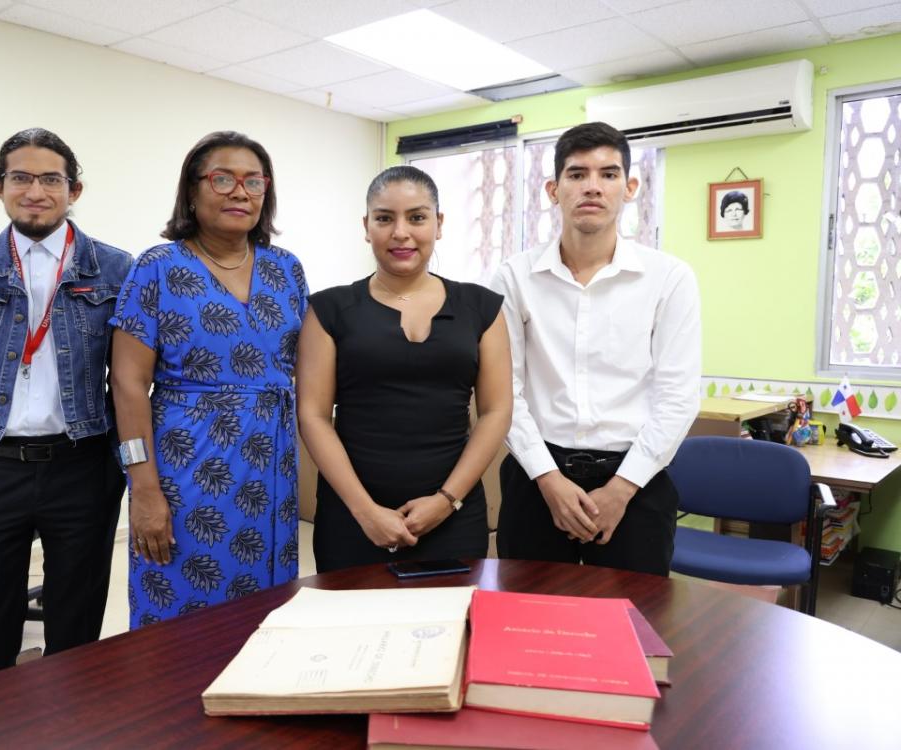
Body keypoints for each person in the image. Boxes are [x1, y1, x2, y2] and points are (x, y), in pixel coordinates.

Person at [0, 128, 131, 677]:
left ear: (74, 190)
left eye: (51, 179)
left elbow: (130, 381)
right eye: (21, 177)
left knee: (77, 625)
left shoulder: (117, 269)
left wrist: (125, 464)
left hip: (82, 467)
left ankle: (68, 718)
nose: (35, 191)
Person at [110, 131, 308, 628]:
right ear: (192, 190)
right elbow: (127, 385)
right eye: (223, 179)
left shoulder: (286, 269)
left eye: (254, 181)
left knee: (268, 610)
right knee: (181, 607)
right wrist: (143, 489)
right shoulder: (157, 268)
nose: (240, 192)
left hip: (272, 470)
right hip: (187, 470)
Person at [492, 121, 701, 577]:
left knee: (633, 613)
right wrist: (548, 479)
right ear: (553, 190)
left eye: (608, 174)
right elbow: (504, 392)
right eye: (577, 174)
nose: (593, 186)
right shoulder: (514, 277)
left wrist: (621, 489)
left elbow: (678, 397)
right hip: (537, 475)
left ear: (629, 188)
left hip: (636, 479)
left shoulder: (669, 278)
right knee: (530, 608)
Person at [296, 166, 513, 573]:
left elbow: (496, 411)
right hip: (353, 516)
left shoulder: (481, 307)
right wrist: (365, 511)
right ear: (366, 226)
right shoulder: (329, 309)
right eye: (384, 218)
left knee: (452, 613)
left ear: (439, 223)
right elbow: (313, 415)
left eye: (416, 217)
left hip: (454, 514)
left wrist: (445, 501)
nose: (401, 232)